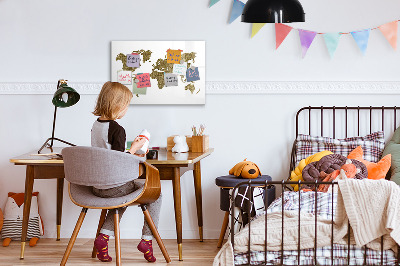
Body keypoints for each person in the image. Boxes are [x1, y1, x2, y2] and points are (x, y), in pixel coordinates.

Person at [91, 81, 161, 263]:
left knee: (121, 198)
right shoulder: (117, 129)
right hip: (114, 186)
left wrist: (130, 149)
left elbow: (108, 154)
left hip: (97, 186)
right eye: (126, 105)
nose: (126, 109)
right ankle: (147, 240)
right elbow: (118, 161)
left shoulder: (96, 125)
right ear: (117, 105)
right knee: (156, 194)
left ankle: (103, 238)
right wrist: (135, 149)